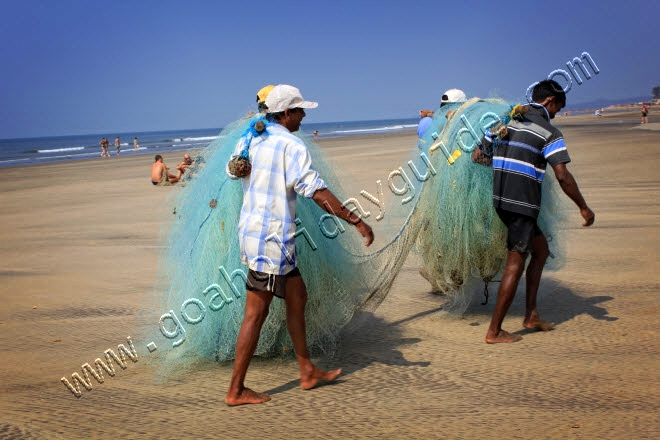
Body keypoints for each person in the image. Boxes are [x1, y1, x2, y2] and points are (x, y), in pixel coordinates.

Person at [224, 84, 374, 406]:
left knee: (298, 294)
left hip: (253, 234)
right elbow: (315, 191)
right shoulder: (291, 145)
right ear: (287, 113)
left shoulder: (250, 138)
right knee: (255, 313)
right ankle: (235, 390)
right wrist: (355, 220)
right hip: (272, 241)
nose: (304, 116)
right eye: (300, 110)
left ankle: (306, 369)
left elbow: (232, 169)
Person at [472, 79, 595, 344]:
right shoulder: (549, 132)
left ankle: (531, 315)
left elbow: (477, 156)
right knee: (515, 264)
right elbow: (562, 175)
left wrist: (505, 164)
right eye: (558, 109)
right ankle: (494, 331)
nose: (556, 115)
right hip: (522, 205)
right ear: (549, 102)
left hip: (501, 202)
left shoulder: (505, 121)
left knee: (541, 252)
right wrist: (583, 208)